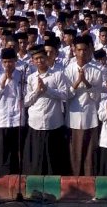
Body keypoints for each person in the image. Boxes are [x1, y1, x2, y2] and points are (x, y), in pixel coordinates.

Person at [24, 45, 70, 175]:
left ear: (47, 58)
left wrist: (47, 90)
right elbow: (26, 101)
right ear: (32, 61)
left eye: (41, 58)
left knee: (53, 158)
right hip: (36, 122)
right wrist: (38, 91)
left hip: (53, 122)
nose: (39, 61)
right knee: (37, 158)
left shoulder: (58, 75)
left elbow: (64, 95)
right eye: (36, 59)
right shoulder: (31, 78)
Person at [64, 35, 104, 176]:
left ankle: (89, 181)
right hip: (73, 115)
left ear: (89, 50)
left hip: (90, 115)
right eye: (79, 50)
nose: (82, 53)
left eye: (85, 50)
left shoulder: (98, 70)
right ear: (74, 50)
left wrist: (86, 83)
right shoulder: (68, 70)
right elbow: (66, 96)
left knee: (90, 153)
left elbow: (97, 96)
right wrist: (77, 82)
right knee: (74, 152)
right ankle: (75, 182)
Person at [0, 48, 26, 175]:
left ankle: (16, 175)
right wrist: (3, 82)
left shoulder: (21, 75)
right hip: (2, 118)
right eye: (5, 62)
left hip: (17, 116)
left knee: (16, 149)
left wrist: (12, 79)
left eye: (10, 62)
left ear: (15, 61)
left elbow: (23, 95)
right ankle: (2, 177)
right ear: (2, 62)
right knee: (2, 150)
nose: (8, 65)